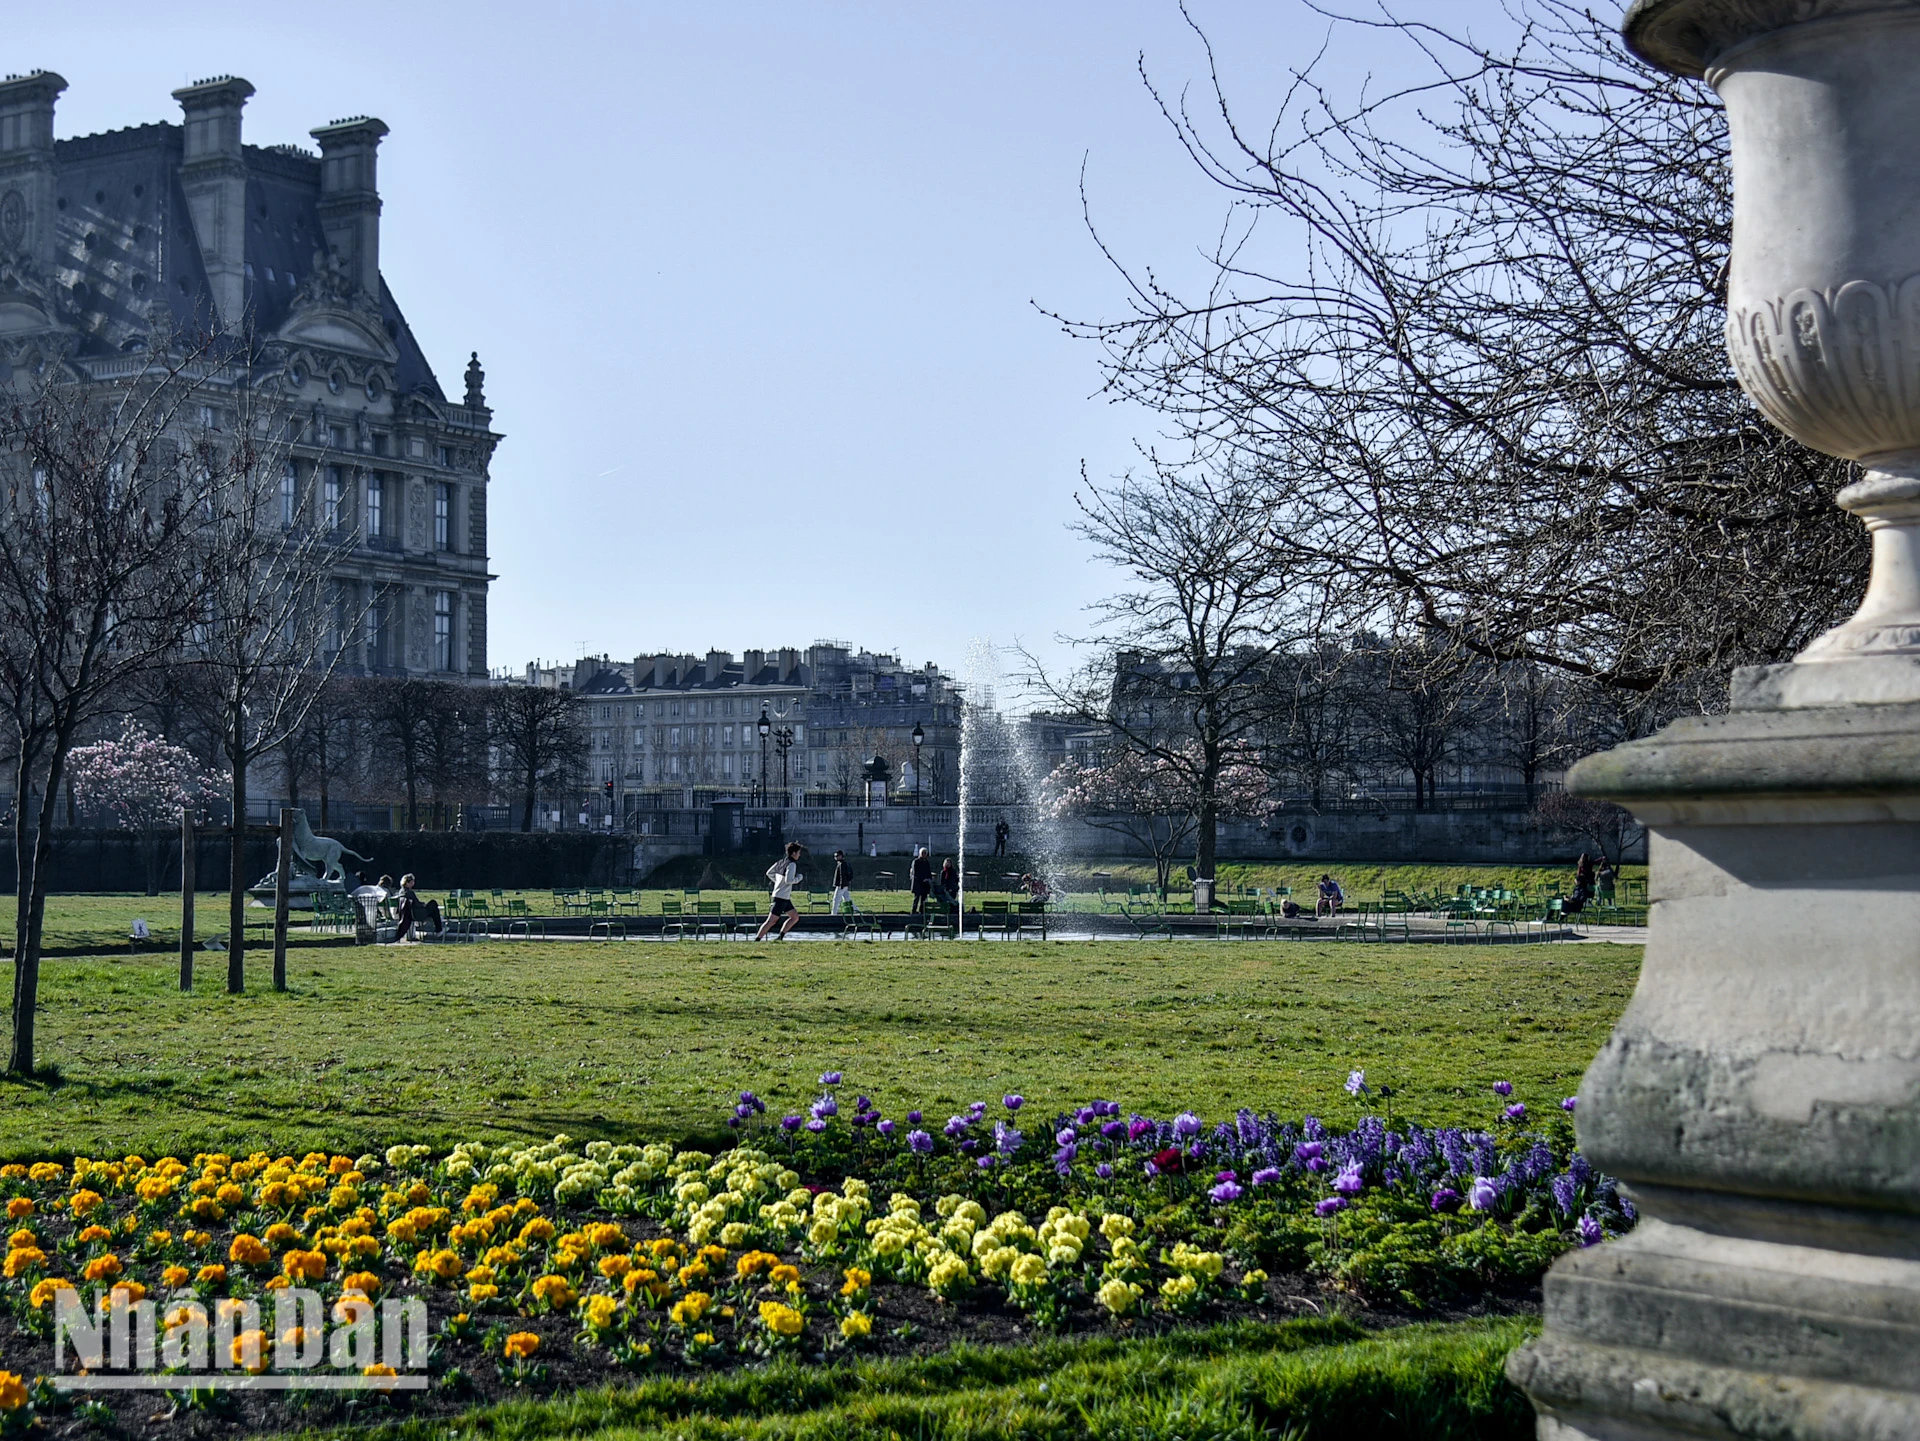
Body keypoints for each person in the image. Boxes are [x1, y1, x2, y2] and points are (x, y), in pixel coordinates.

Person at [757, 841, 806, 940]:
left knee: (795, 917)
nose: (799, 855)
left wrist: (778, 882)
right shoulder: (792, 864)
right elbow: (789, 880)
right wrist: (799, 878)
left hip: (784, 897)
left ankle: (780, 937)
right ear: (793, 853)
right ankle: (757, 939)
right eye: (799, 853)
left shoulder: (780, 862)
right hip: (781, 897)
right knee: (771, 921)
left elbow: (769, 873)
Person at [393, 873, 442, 941]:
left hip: (411, 914)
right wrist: (423, 904)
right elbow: (416, 904)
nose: (413, 883)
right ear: (407, 883)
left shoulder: (401, 892)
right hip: (418, 914)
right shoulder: (409, 893)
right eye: (412, 882)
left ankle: (438, 929)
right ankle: (439, 930)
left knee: (434, 911)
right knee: (434, 904)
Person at [830, 849, 857, 915]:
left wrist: (841, 884)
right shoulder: (843, 864)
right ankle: (856, 910)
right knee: (847, 899)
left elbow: (842, 875)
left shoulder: (841, 864)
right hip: (844, 885)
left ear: (841, 856)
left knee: (836, 900)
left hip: (841, 885)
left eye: (837, 856)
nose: (836, 857)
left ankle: (834, 913)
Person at [909, 846, 932, 914]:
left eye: (925, 853)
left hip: (925, 884)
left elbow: (928, 872)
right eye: (923, 853)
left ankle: (921, 910)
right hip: (918, 883)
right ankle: (914, 910)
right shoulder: (916, 861)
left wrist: (929, 880)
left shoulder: (926, 862)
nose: (924, 854)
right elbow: (915, 873)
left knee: (923, 898)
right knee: (917, 898)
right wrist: (922, 879)